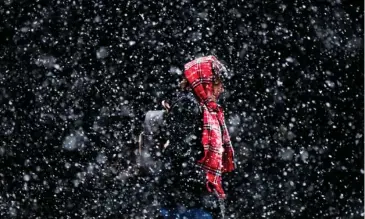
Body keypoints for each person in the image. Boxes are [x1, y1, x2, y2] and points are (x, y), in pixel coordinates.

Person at [157, 55, 235, 219]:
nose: (221, 89)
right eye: (217, 83)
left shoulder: (204, 108)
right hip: (186, 203)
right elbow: (180, 154)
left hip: (189, 200)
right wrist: (204, 184)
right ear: (205, 81)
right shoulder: (188, 105)